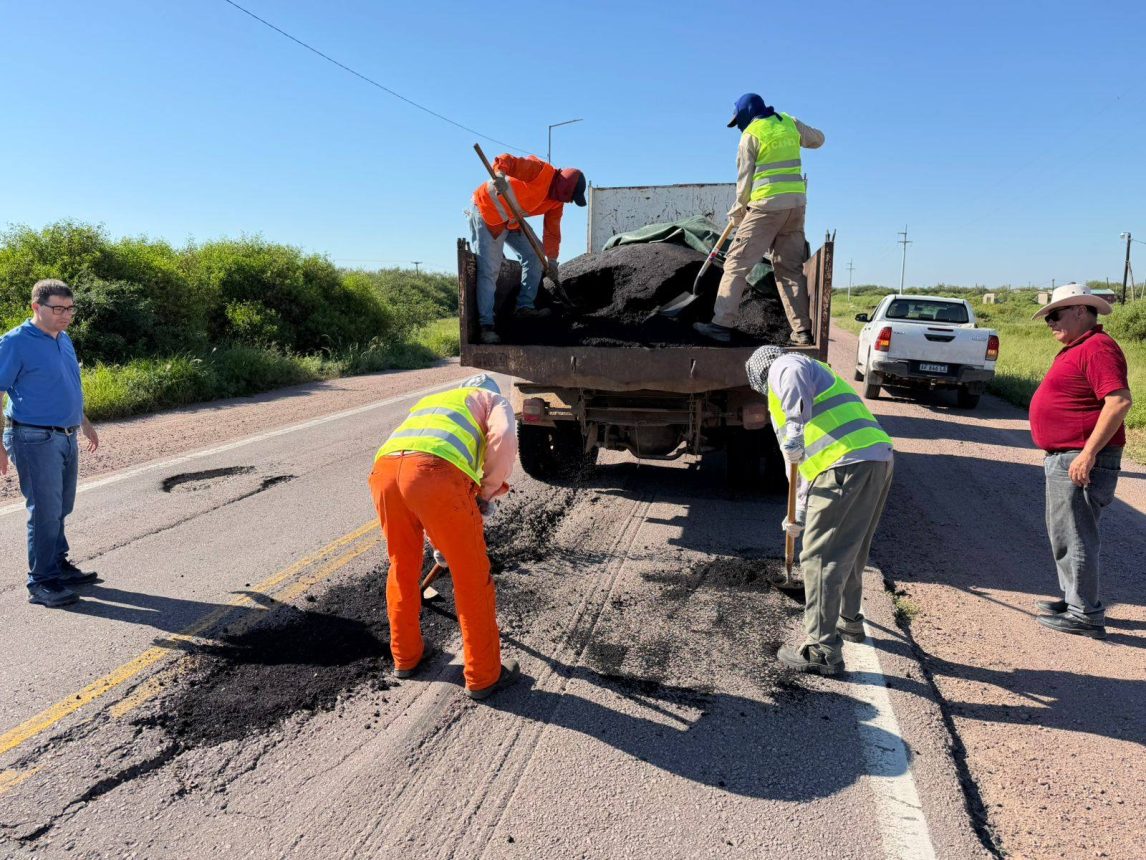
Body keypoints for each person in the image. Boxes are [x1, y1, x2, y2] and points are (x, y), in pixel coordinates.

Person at [367, 373, 520, 699]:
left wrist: (441, 543)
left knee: (402, 565)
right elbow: (504, 438)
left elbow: (413, 469)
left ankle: (406, 659)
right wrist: (487, 492)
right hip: (435, 473)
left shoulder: (436, 401)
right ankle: (484, 677)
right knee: (471, 576)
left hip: (385, 474)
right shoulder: (491, 400)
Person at [745, 345, 894, 674]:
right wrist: (796, 513)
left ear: (761, 377)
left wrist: (795, 426)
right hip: (875, 459)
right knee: (852, 548)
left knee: (820, 557)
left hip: (846, 466)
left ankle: (822, 651)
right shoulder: (817, 376)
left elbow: (790, 376)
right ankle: (850, 620)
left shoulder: (787, 366)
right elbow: (797, 466)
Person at [1029, 284, 1132, 639]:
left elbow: (1118, 401)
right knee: (1063, 533)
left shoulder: (1098, 347)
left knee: (1077, 535)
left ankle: (1085, 613)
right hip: (1067, 455)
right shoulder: (1078, 348)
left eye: (1054, 314)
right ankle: (1074, 598)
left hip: (1081, 456)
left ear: (1080, 310)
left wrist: (1088, 453)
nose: (1049, 322)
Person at [1, 279, 100, 608]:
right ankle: (41, 582)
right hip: (33, 437)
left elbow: (69, 384)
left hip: (66, 434)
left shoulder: (64, 338)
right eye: (58, 308)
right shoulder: (16, 342)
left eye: (70, 308)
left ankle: (57, 564)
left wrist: (84, 424)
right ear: (36, 307)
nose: (66, 315)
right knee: (44, 511)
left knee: (61, 507)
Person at [695, 93, 824, 345]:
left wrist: (738, 209)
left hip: (766, 207)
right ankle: (802, 332)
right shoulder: (789, 122)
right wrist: (794, 134)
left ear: (746, 112)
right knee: (789, 271)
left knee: (736, 264)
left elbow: (744, 181)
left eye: (738, 120)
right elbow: (818, 139)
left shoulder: (750, 136)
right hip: (796, 207)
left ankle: (720, 325)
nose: (738, 126)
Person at [470, 154, 587, 344]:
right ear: (565, 187)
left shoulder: (557, 202)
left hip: (513, 221)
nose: (570, 201)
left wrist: (553, 262)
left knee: (534, 255)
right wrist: (499, 175)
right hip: (488, 213)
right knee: (490, 269)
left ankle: (524, 307)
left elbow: (552, 232)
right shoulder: (539, 171)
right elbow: (507, 159)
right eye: (571, 197)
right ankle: (486, 326)